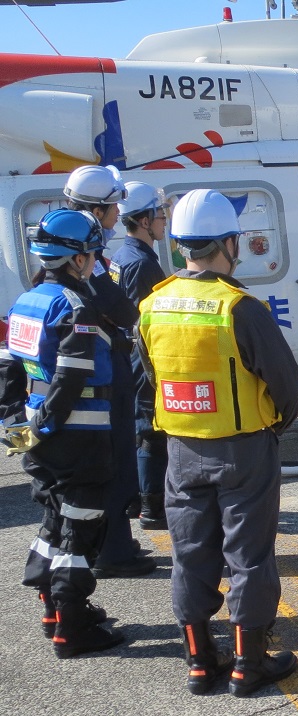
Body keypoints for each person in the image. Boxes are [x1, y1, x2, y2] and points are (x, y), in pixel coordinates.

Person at [137, 189, 298, 697]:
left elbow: (152, 377)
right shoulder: (241, 308)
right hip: (243, 449)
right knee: (249, 557)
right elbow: (287, 386)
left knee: (190, 553)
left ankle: (198, 661)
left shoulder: (152, 304)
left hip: (181, 451)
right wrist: (274, 425)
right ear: (230, 243)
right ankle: (246, 666)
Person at [2, 209, 124, 657]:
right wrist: (51, 424)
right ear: (77, 260)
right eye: (92, 254)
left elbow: (9, 369)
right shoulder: (75, 307)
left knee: (54, 517)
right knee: (82, 526)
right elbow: (72, 377)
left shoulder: (26, 301)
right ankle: (72, 628)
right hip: (79, 436)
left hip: (38, 432)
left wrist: (18, 427)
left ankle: (53, 607)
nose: (95, 262)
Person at [64, 165, 157, 578]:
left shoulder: (77, 255)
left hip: (96, 373)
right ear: (96, 210)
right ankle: (113, 552)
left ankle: (116, 543)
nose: (118, 215)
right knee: (113, 460)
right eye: (113, 207)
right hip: (103, 376)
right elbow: (121, 311)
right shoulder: (88, 262)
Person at [110, 181, 170, 531]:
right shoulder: (141, 264)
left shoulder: (124, 255)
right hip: (142, 359)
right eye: (160, 214)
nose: (164, 220)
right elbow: (141, 321)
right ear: (145, 220)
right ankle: (153, 507)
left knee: (140, 428)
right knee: (150, 429)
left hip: (132, 356)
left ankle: (137, 499)